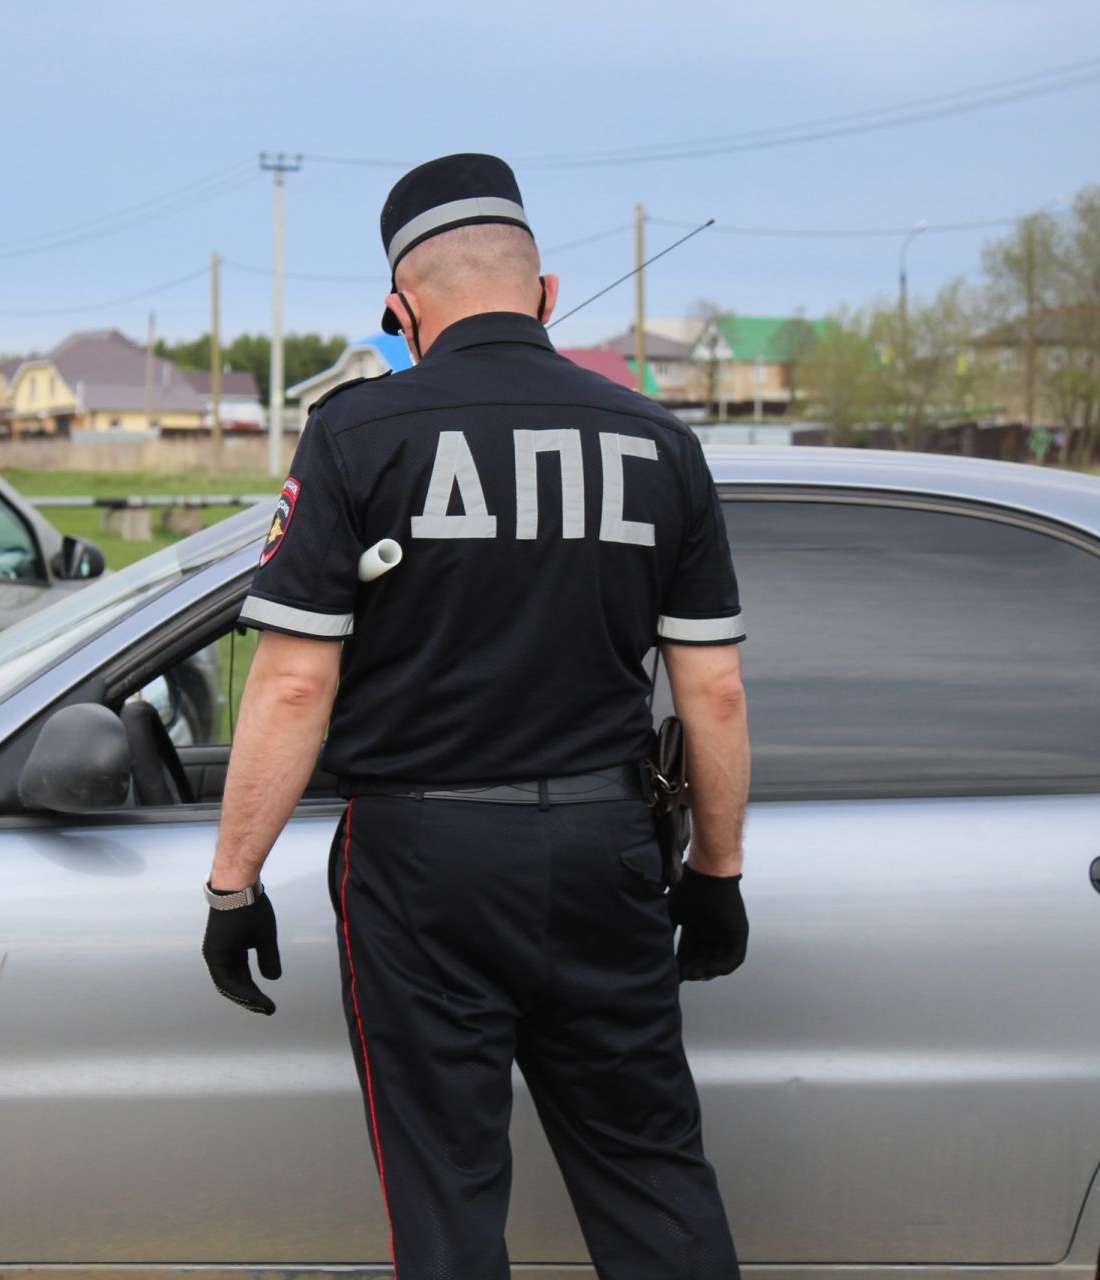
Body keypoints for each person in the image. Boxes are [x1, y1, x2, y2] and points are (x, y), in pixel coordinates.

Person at [200, 152, 751, 1280]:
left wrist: (233, 880)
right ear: (545, 293)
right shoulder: (662, 443)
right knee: (654, 1177)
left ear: (402, 310)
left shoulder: (359, 434)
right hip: (608, 849)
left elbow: (294, 683)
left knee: (446, 1195)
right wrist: (716, 872)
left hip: (422, 865)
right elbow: (715, 693)